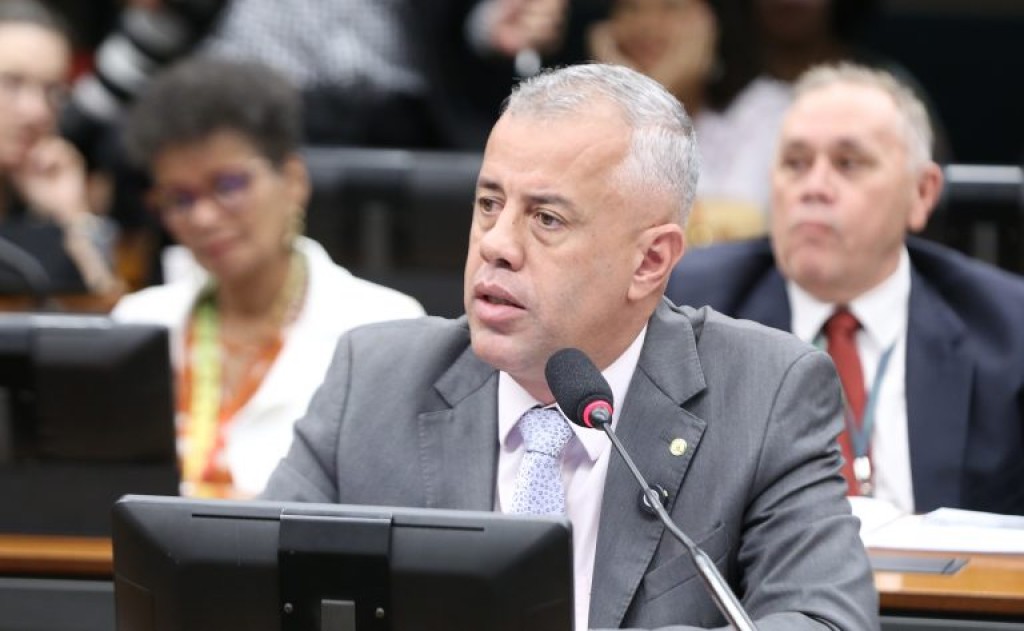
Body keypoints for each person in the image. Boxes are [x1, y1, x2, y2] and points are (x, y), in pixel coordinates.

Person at [262, 63, 877, 630]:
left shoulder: (764, 394)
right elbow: (250, 591)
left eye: (546, 219)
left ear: (650, 261)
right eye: (489, 204)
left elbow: (824, 619)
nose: (496, 244)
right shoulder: (373, 381)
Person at [666, 63, 1024, 517]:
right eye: (795, 163)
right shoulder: (685, 310)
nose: (814, 187)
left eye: (848, 164)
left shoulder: (1009, 329)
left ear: (921, 193)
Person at [112, 58, 425, 499]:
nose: (203, 217)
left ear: (294, 180)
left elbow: (392, 502)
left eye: (228, 185)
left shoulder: (384, 327)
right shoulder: (138, 322)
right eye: (179, 198)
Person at [588, 0, 785, 238]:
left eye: (671, 7)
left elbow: (740, 225)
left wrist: (657, 97)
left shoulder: (766, 108)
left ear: (713, 22)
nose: (648, 25)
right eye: (631, 8)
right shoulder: (589, 114)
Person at [0, 0, 119, 298]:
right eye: (11, 84)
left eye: (53, 91)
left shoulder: (40, 202)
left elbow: (107, 312)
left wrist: (73, 215)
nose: (38, 111)